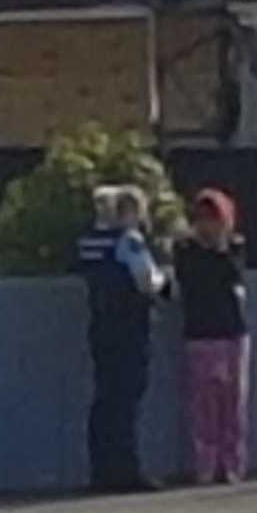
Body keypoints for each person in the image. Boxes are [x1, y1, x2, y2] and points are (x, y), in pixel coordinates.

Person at [74, 184, 168, 493]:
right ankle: (126, 470)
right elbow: (146, 281)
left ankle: (100, 470)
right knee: (126, 399)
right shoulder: (128, 241)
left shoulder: (88, 241)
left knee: (104, 400)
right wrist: (163, 279)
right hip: (129, 325)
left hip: (100, 325)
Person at [171, 189, 252, 485]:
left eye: (214, 219)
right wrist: (203, 248)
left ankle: (233, 464)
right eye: (203, 219)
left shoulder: (235, 248)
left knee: (234, 402)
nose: (208, 226)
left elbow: (232, 275)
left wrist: (220, 248)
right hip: (201, 332)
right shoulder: (185, 251)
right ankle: (205, 464)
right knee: (205, 403)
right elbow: (192, 279)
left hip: (233, 331)